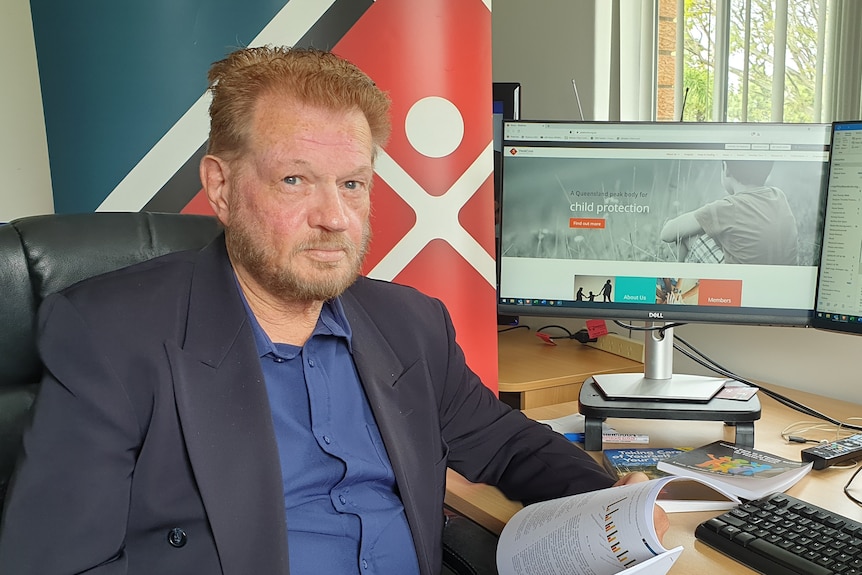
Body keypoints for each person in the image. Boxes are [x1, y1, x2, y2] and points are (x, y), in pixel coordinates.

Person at [0, 46, 667, 575]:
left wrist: (617, 501)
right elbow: (55, 562)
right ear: (221, 188)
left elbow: (509, 444)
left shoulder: (410, 323)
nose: (335, 217)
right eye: (296, 180)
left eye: (353, 183)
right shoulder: (112, 333)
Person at [660, 160, 799, 265]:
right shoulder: (778, 195)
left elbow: (667, 234)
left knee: (686, 234)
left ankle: (678, 283)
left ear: (725, 168)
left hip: (738, 285)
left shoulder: (728, 207)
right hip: (781, 280)